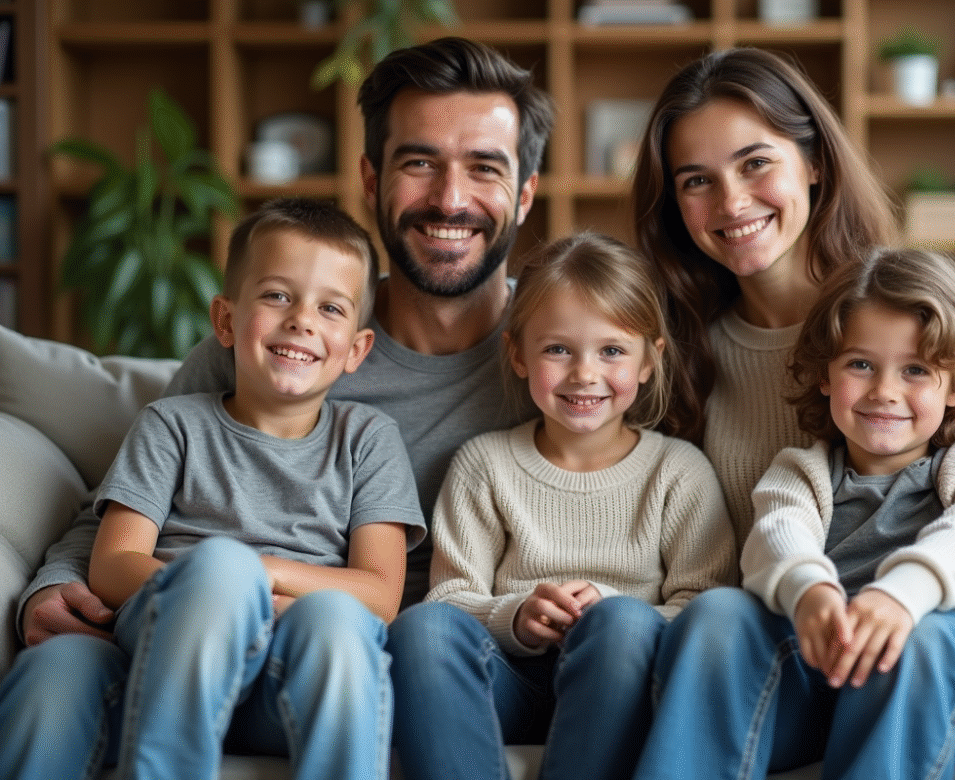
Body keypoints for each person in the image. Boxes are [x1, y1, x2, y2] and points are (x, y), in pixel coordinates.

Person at [0, 36, 553, 779]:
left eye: (484, 167)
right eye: (419, 162)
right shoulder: (249, 356)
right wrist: (50, 588)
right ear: (371, 177)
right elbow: (116, 517)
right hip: (182, 619)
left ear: (524, 192)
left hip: (358, 645)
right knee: (51, 680)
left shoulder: (564, 360)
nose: (450, 199)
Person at [629, 47, 955, 780]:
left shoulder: (944, 323)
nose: (731, 201)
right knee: (719, 616)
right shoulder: (678, 358)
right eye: (697, 181)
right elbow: (744, 550)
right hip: (800, 655)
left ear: (814, 163)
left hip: (953, 637)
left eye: (756, 163)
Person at [89, 197, 427, 779]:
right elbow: (113, 565)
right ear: (224, 320)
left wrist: (262, 575)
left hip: (293, 662)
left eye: (330, 308)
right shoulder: (172, 424)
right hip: (171, 643)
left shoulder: (369, 439)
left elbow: (379, 594)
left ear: (356, 349)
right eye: (277, 295)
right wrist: (227, 584)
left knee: (340, 623)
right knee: (222, 570)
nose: (301, 319)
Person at [386, 232, 737, 780]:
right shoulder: (485, 464)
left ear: (650, 361)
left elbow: (708, 609)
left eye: (612, 351)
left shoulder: (678, 472)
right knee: (420, 629)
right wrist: (518, 617)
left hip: (627, 686)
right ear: (518, 355)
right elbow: (452, 598)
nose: (584, 374)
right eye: (557, 349)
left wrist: (612, 609)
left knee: (619, 621)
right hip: (510, 687)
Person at [737, 247, 955, 778]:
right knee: (722, 612)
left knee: (927, 637)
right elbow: (777, 533)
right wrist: (811, 591)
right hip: (822, 665)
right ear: (825, 374)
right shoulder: (803, 470)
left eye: (915, 369)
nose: (884, 392)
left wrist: (902, 595)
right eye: (861, 364)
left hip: (934, 663)